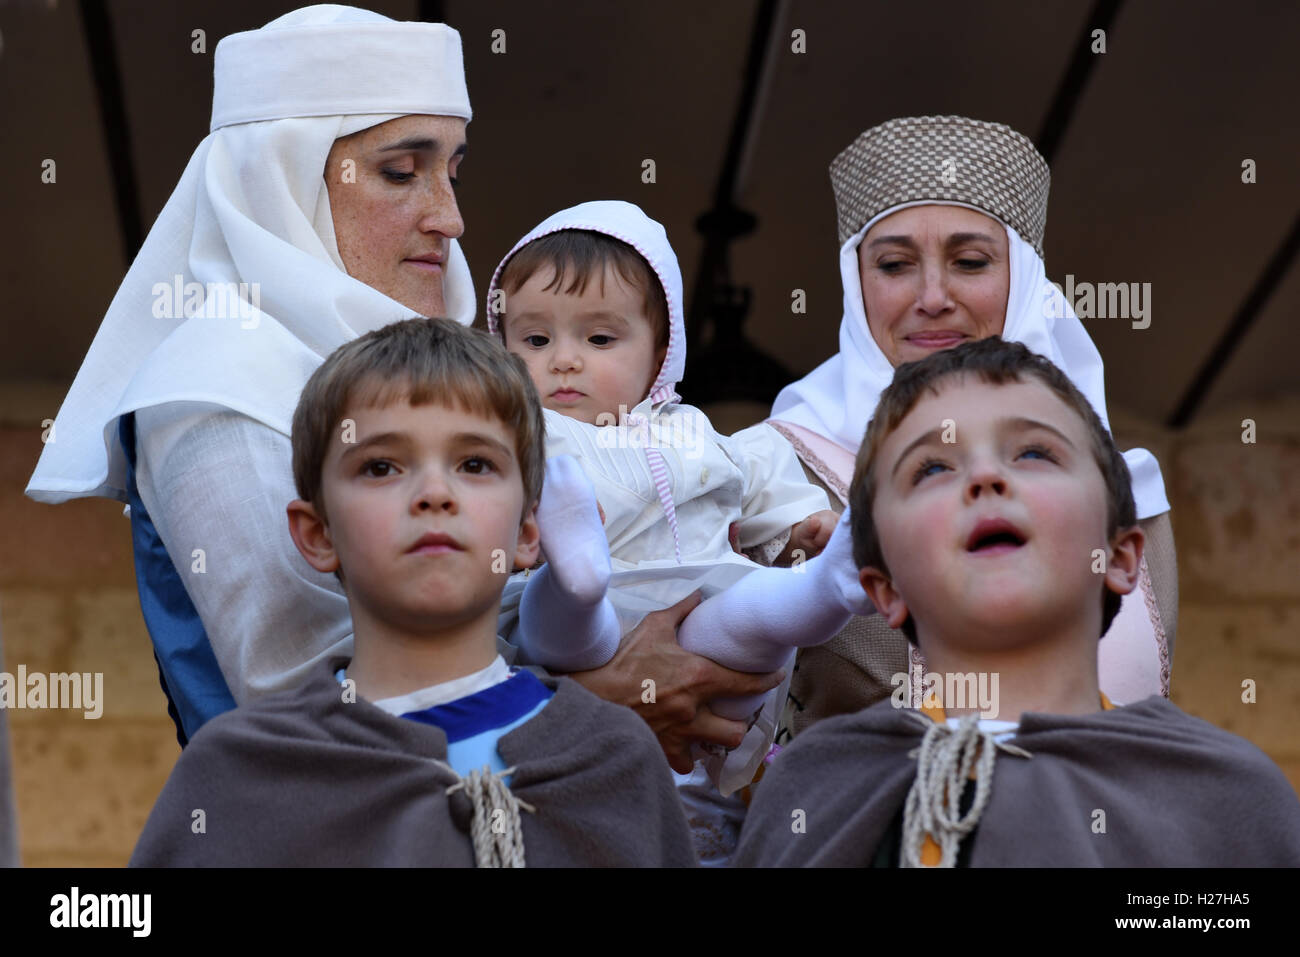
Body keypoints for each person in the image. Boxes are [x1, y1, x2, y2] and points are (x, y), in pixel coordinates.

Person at [24, 7, 765, 766]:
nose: (450, 217)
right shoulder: (216, 381)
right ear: (282, 178)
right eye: (401, 172)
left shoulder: (432, 367)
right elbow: (307, 698)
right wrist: (601, 703)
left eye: (453, 170)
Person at [130, 318, 697, 867]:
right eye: (380, 467)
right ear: (318, 534)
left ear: (529, 533)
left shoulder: (611, 760)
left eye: (474, 464)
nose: (433, 493)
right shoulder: (244, 773)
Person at [734, 338, 1300, 867]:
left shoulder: (1225, 798)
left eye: (1033, 453)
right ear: (885, 588)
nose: (983, 477)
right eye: (932, 468)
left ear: (1123, 558)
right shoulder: (818, 791)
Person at [768, 115, 1178, 733]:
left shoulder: (1130, 492)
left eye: (969, 261)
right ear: (856, 284)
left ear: (1024, 279)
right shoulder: (770, 468)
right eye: (895, 265)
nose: (932, 296)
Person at [486, 201, 868, 860]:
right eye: (535, 339)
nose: (564, 362)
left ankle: (821, 585)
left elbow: (762, 483)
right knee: (564, 613)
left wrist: (799, 528)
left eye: (599, 339)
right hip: (587, 647)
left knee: (745, 612)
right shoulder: (518, 437)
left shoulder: (694, 432)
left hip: (698, 625)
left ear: (661, 351)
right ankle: (574, 574)